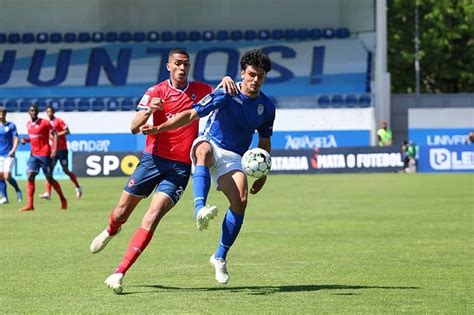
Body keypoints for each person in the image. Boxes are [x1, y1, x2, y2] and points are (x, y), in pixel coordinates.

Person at [88, 48, 237, 294]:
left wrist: (226, 81)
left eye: (185, 64)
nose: (182, 68)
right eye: (177, 64)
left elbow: (223, 95)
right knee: (121, 212)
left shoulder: (200, 91)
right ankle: (112, 229)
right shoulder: (155, 92)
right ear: (168, 66)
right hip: (152, 161)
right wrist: (150, 111)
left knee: (152, 216)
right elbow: (134, 127)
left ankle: (119, 272)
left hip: (179, 168)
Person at [147, 49, 276, 285]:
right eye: (251, 74)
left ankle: (220, 256)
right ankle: (199, 209)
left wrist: (263, 172)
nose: (255, 80)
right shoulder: (226, 92)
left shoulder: (266, 107)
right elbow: (191, 114)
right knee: (203, 151)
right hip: (211, 143)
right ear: (243, 73)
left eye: (261, 76)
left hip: (234, 157)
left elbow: (265, 142)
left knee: (241, 200)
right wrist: (159, 128)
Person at [20, 104, 68, 211]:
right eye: (31, 110)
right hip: (33, 155)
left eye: (34, 110)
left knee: (49, 178)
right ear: (28, 112)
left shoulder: (45, 123)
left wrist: (54, 150)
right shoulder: (28, 124)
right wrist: (25, 140)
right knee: (30, 176)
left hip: (45, 155)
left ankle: (63, 199)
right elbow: (33, 138)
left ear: (37, 112)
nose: (33, 112)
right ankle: (30, 204)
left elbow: (55, 134)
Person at [38, 105, 82, 200]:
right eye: (48, 112)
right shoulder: (45, 123)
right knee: (49, 171)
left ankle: (78, 186)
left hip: (62, 150)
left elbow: (67, 131)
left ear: (54, 112)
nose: (49, 113)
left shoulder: (59, 121)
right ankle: (48, 193)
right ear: (46, 113)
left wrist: (57, 134)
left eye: (51, 111)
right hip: (52, 150)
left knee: (65, 170)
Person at [0, 107, 23, 204]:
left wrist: (13, 149)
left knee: (7, 176)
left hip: (9, 154)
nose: (1, 115)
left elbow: (16, 138)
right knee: (0, 176)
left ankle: (18, 190)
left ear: (5, 114)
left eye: (3, 114)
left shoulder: (11, 126)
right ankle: (5, 198)